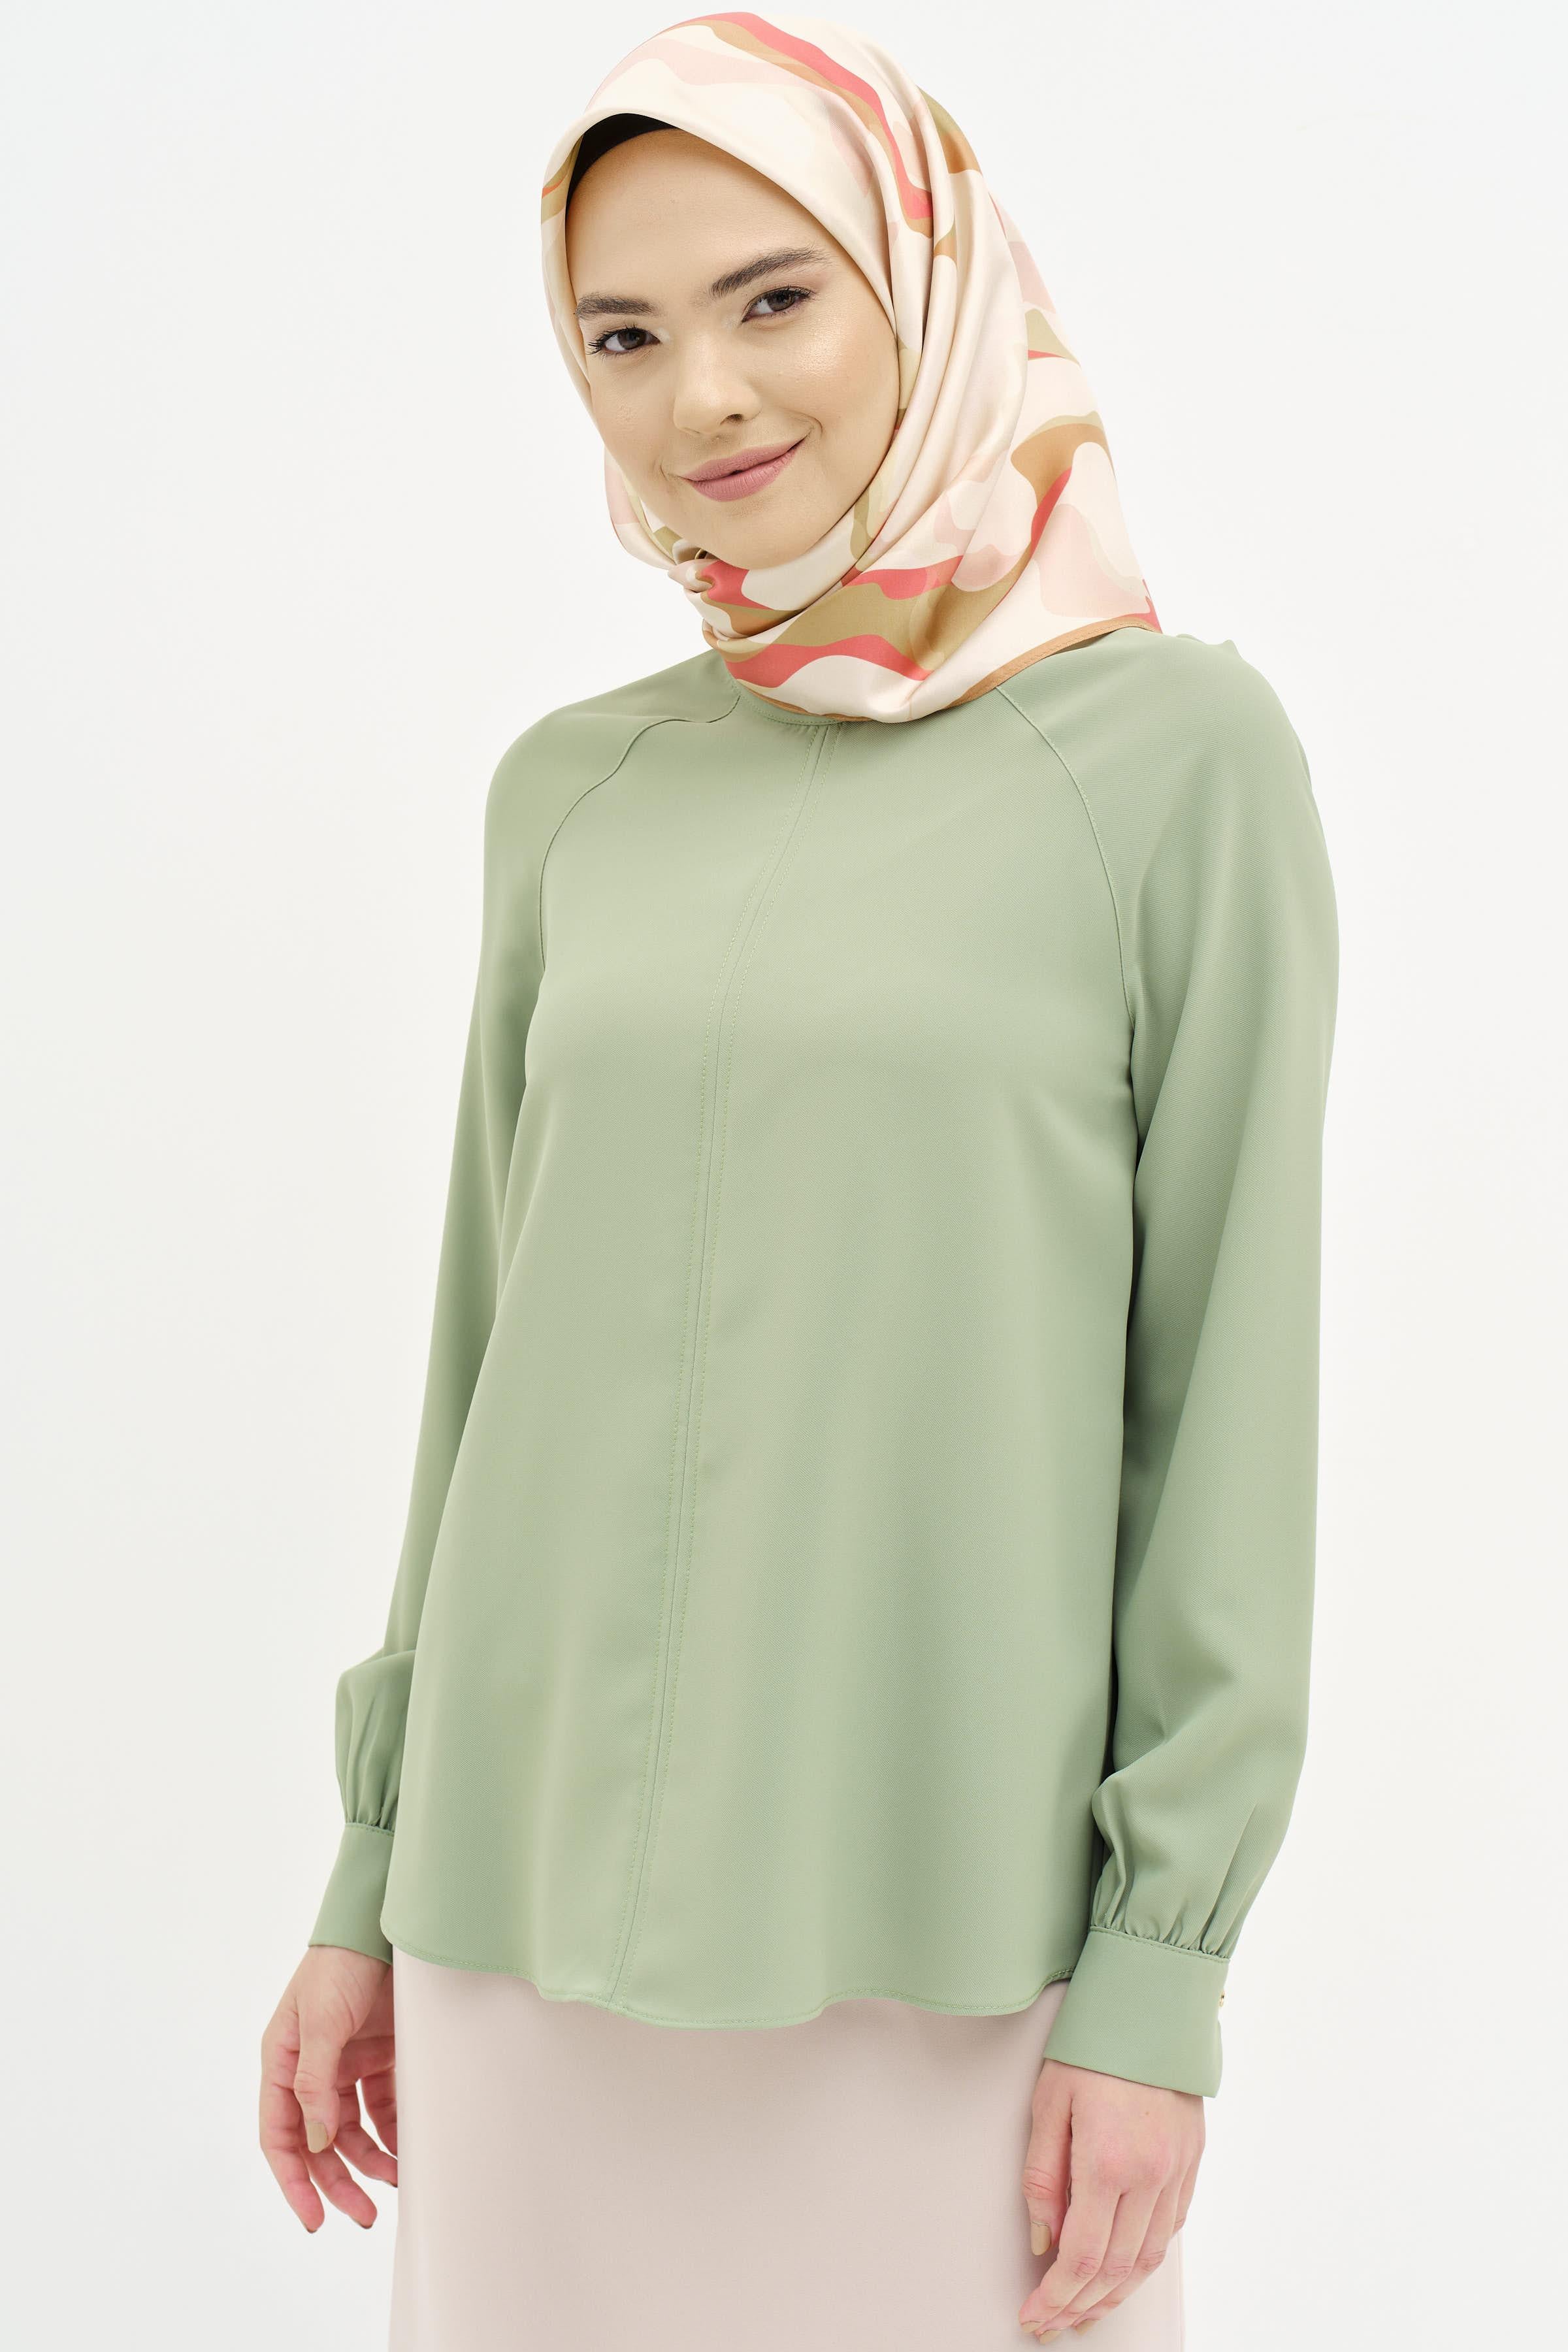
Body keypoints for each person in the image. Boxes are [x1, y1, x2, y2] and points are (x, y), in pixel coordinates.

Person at [257, 15, 1340, 2348]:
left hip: (952, 1958)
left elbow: (1226, 1404)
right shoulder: (576, 790)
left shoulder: (1175, 761)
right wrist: (369, 1870)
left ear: (925, 283)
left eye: (774, 299)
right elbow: (483, 1365)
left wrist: (1160, 1979)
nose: (704, 400)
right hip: (516, 1933)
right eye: (622, 337)